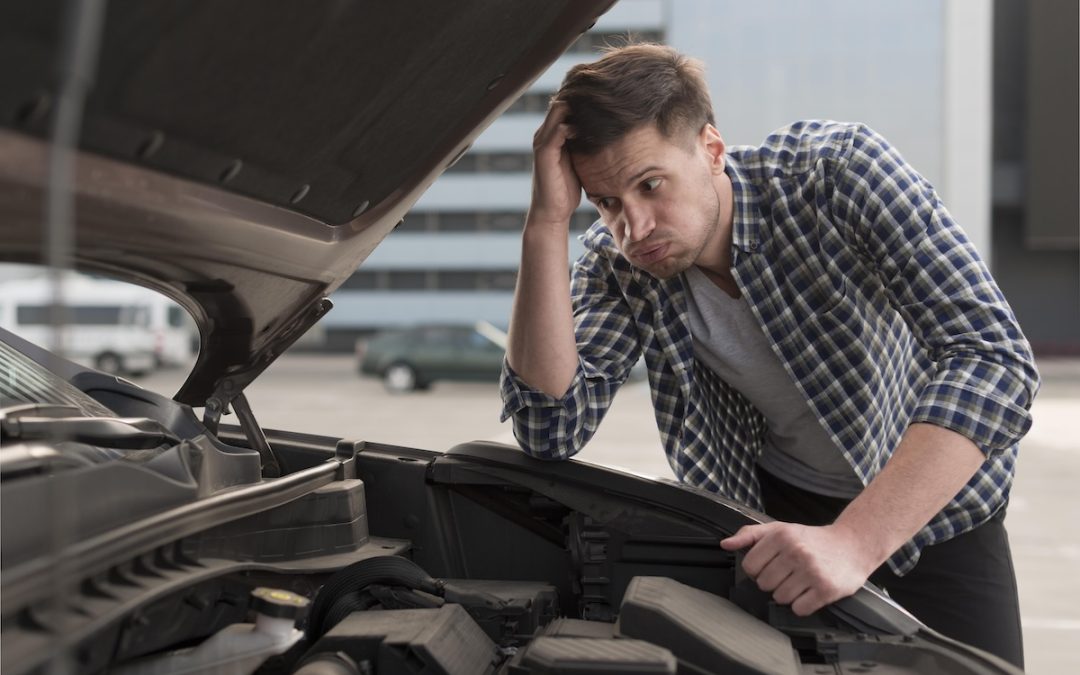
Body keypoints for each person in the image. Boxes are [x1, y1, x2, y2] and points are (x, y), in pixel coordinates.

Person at [498, 43, 1038, 668]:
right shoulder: (617, 265)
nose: (634, 228)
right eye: (608, 202)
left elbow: (993, 357)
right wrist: (546, 221)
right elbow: (549, 427)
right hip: (775, 512)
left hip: (932, 502)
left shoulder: (838, 172)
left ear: (712, 149)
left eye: (650, 185)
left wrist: (855, 541)